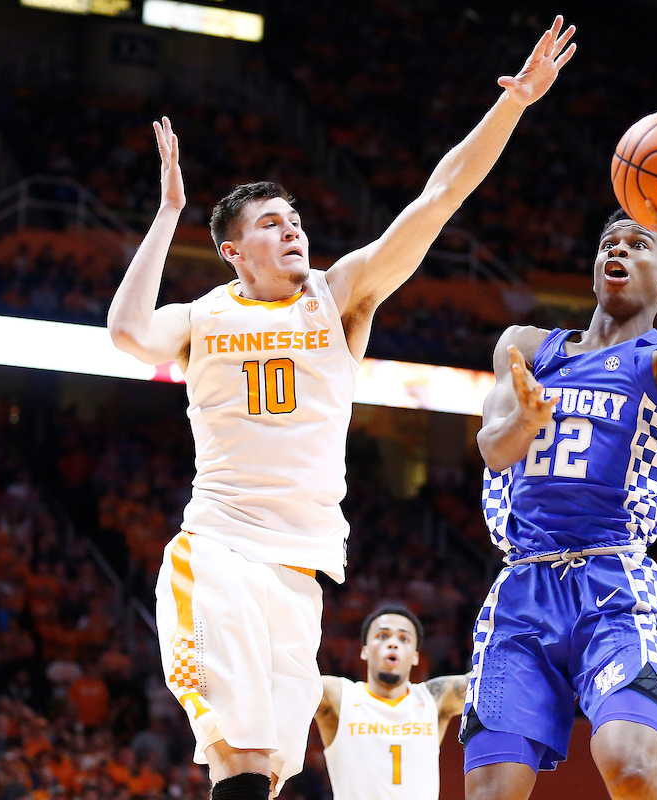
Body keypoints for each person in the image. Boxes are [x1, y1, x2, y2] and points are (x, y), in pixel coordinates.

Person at [106, 17, 577, 800]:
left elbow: (440, 195)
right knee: (238, 762)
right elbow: (126, 333)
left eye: (295, 220)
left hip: (304, 570)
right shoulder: (200, 315)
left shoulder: (339, 295)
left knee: (267, 770)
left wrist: (517, 105)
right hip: (218, 551)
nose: (292, 231)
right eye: (271, 224)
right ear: (232, 249)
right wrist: (165, 214)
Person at [465, 177, 657, 800]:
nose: (620, 248)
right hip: (522, 588)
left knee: (633, 766)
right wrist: (525, 422)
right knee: (488, 793)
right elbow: (491, 448)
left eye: (640, 243)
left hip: (612, 583)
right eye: (610, 241)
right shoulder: (528, 347)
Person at [316, 606, 468, 800]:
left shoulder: (434, 699)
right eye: (382, 636)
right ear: (364, 650)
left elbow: (491, 681)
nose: (393, 643)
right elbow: (289, 681)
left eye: (404, 639)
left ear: (415, 657)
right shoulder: (339, 695)